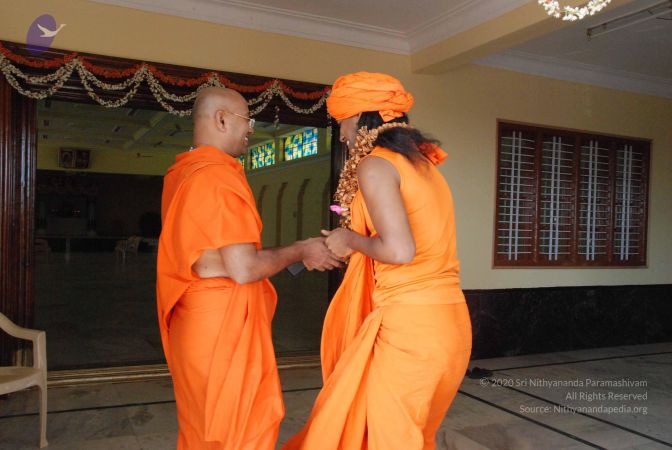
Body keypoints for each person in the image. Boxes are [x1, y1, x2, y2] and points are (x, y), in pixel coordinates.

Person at [283, 72, 472, 450]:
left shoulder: (376, 165)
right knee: (406, 434)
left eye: (341, 122)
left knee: (384, 438)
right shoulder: (424, 165)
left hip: (410, 328)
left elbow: (400, 251)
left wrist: (349, 238)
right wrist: (357, 244)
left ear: (359, 117)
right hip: (449, 324)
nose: (341, 135)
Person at [156, 86, 342, 450]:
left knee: (203, 430)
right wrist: (301, 250)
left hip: (192, 327)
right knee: (239, 431)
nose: (251, 129)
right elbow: (242, 268)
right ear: (222, 119)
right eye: (247, 119)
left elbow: (204, 258)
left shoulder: (181, 174)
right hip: (220, 332)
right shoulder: (216, 175)